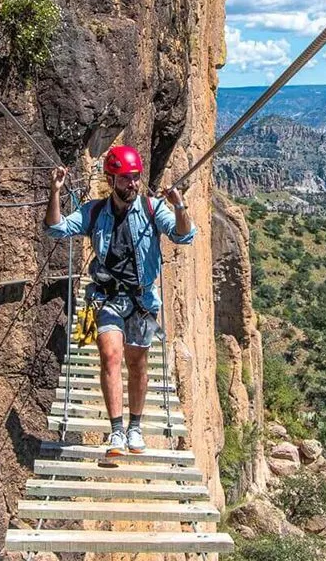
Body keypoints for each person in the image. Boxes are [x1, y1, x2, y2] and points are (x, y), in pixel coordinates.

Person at [43, 146, 194, 456]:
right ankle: (116, 433)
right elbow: (55, 228)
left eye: (136, 178)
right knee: (110, 357)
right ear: (112, 180)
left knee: (137, 366)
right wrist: (55, 192)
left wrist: (179, 207)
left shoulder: (153, 209)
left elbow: (184, 236)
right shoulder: (94, 212)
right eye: (126, 179)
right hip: (108, 298)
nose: (133, 184)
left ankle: (134, 428)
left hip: (142, 301)